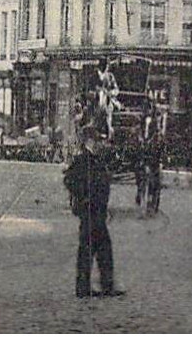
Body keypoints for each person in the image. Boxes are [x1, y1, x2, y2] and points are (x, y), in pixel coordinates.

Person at [63, 128, 122, 299]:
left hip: (97, 212)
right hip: (90, 212)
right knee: (94, 249)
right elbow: (69, 180)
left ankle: (93, 286)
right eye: (97, 141)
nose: (100, 144)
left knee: (96, 249)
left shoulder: (95, 160)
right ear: (90, 141)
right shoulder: (82, 160)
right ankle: (99, 286)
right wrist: (84, 197)